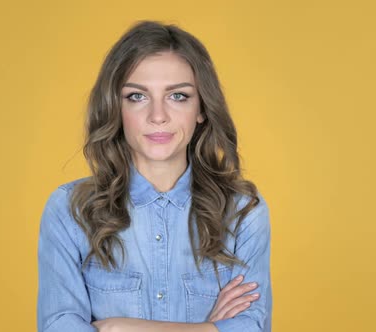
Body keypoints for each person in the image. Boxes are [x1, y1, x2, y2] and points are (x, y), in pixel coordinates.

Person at [37, 20, 272, 332]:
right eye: (137, 96)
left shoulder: (243, 212)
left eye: (178, 96)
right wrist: (209, 328)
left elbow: (251, 327)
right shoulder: (70, 210)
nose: (158, 116)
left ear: (201, 108)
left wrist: (120, 327)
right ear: (115, 107)